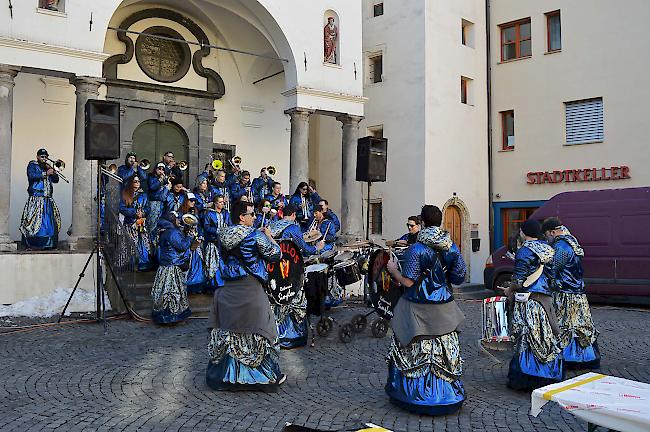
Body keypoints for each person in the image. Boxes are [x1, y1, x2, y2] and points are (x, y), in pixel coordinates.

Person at [385, 205, 467, 415]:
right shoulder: (452, 247)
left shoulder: (417, 249)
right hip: (444, 308)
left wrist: (394, 272)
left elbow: (409, 282)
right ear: (440, 222)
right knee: (444, 351)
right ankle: (448, 394)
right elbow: (459, 278)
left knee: (413, 350)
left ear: (422, 221)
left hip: (418, 308)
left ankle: (413, 395)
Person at [206, 200, 285, 391]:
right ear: (242, 217)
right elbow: (276, 254)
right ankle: (258, 377)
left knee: (231, 332)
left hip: (228, 289)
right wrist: (270, 236)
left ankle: (227, 377)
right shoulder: (255, 235)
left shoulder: (222, 234)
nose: (255, 217)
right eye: (252, 214)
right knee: (259, 328)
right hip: (250, 287)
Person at [506, 219, 564, 391]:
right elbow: (553, 275)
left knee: (527, 335)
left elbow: (518, 280)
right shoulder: (548, 249)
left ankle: (528, 375)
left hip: (528, 301)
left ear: (524, 232)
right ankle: (549, 371)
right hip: (544, 300)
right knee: (545, 336)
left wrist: (509, 290)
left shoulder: (524, 251)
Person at [542, 217, 600, 369]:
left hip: (565, 293)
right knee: (579, 324)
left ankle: (570, 358)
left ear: (552, 232)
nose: (546, 239)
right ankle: (582, 356)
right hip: (576, 293)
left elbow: (552, 267)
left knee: (567, 324)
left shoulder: (562, 246)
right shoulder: (571, 243)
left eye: (547, 235)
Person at [268, 204, 324, 348]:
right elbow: (304, 248)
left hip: (274, 271)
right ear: (293, 215)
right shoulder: (293, 228)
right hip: (290, 271)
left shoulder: (272, 226)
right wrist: (317, 249)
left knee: (277, 301)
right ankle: (292, 336)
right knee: (294, 299)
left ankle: (276, 334)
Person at [151, 212, 193, 324]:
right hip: (172, 266)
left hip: (164, 266)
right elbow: (182, 246)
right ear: (172, 220)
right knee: (172, 290)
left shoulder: (163, 231)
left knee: (163, 290)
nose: (179, 220)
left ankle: (162, 315)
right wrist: (189, 237)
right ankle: (171, 316)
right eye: (177, 219)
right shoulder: (172, 232)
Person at [20, 149, 61, 249]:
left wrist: (54, 172)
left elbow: (56, 180)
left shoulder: (47, 167)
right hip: (36, 199)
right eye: (42, 157)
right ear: (37, 157)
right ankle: (34, 244)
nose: (44, 159)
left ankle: (49, 244)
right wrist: (45, 174)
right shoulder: (32, 165)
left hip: (47, 200)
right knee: (33, 223)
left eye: (46, 157)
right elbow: (31, 176)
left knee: (49, 224)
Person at [119, 175, 153, 272]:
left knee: (143, 243)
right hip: (130, 224)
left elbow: (148, 207)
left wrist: (143, 213)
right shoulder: (125, 194)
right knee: (131, 244)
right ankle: (131, 263)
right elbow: (122, 208)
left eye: (138, 181)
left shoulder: (144, 195)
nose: (137, 184)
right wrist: (134, 213)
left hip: (142, 223)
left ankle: (143, 263)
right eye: (135, 182)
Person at [203, 195, 230, 292]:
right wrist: (217, 230)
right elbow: (206, 227)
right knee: (213, 262)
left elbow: (230, 224)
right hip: (213, 241)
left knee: (223, 262)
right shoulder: (209, 214)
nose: (222, 204)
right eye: (220, 202)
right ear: (215, 203)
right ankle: (214, 284)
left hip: (223, 242)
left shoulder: (226, 213)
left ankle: (223, 283)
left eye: (223, 202)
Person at [181, 194, 207, 294]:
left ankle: (197, 285)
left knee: (197, 263)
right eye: (191, 201)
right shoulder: (181, 213)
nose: (193, 203)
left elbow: (199, 226)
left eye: (194, 201)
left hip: (196, 242)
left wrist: (200, 237)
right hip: (186, 242)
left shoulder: (196, 212)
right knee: (188, 263)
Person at [147, 162, 170, 245]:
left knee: (157, 225)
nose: (161, 171)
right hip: (153, 202)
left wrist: (166, 182)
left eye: (162, 169)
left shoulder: (164, 178)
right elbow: (152, 187)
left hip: (161, 204)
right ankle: (149, 241)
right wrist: (160, 180)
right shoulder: (151, 177)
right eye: (159, 169)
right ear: (155, 169)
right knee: (151, 224)